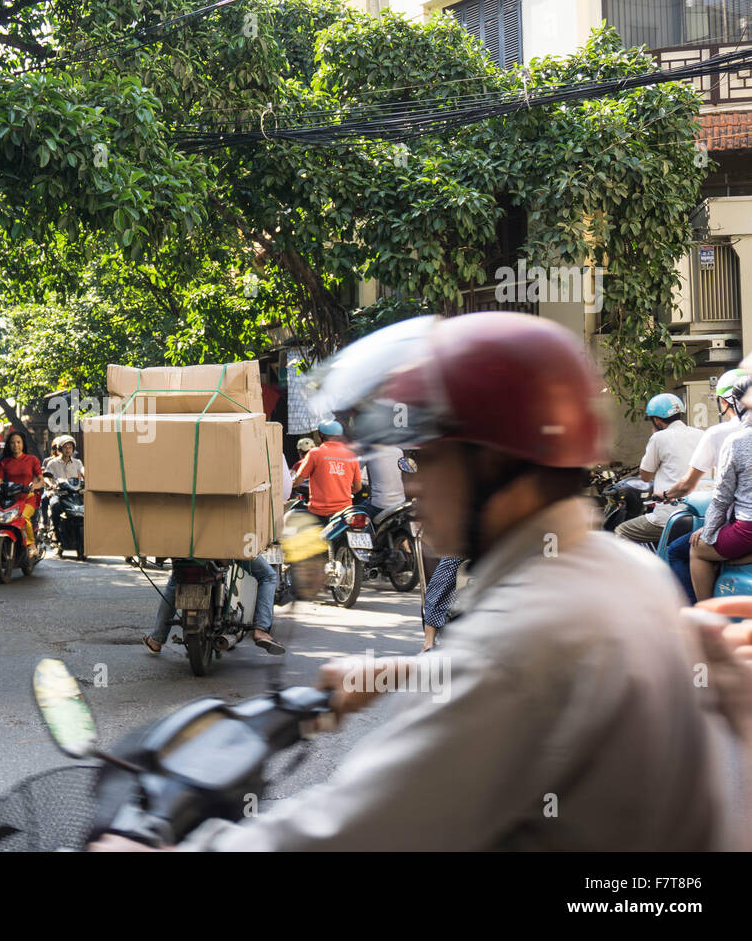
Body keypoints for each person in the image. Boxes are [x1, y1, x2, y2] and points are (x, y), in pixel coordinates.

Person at [97, 312, 734, 851]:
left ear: (495, 466)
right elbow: (524, 677)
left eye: (428, 459)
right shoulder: (621, 570)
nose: (415, 481)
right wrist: (396, 674)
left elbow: (345, 832)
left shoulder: (525, 640)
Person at [142, 450, 288, 656]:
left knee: (176, 578)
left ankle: (157, 639)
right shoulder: (245, 457)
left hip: (187, 540)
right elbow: (281, 491)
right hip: (231, 541)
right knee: (268, 575)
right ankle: (261, 629)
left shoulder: (179, 463)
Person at [662, 370, 751, 602]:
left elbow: (722, 497)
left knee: (694, 549)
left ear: (728, 401)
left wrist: (709, 532)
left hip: (745, 529)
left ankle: (705, 617)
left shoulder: (735, 440)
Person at [614, 392, 702, 544]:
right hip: (698, 514)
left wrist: (655, 436)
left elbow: (646, 476)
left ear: (656, 420)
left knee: (621, 531)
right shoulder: (701, 434)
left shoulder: (659, 437)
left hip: (670, 515)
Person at [0, 431, 44, 559]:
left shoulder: (32, 459)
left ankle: (31, 545)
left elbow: (41, 479)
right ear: (9, 445)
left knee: (23, 517)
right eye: (12, 443)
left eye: (18, 442)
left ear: (23, 444)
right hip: (10, 499)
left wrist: (35, 486)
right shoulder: (5, 462)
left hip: (28, 498)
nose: (15, 445)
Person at [291, 420, 361, 520]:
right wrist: (342, 494)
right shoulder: (351, 455)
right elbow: (358, 487)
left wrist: (289, 487)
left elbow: (298, 481)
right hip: (345, 512)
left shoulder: (315, 453)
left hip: (319, 512)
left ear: (320, 436)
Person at [44, 434, 85, 551]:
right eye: (65, 447)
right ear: (60, 449)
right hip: (59, 493)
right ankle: (56, 531)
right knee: (54, 505)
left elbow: (83, 471)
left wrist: (87, 475)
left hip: (74, 494)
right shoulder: (52, 463)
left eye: (70, 447)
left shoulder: (77, 462)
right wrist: (51, 484)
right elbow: (46, 476)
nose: (68, 450)